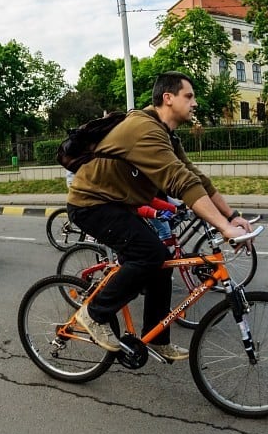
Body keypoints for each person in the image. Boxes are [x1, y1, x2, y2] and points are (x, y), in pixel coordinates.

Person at [66, 71, 251, 361]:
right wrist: (224, 227)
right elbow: (180, 182)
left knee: (161, 263)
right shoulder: (144, 129)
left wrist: (233, 216)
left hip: (117, 205)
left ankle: (157, 337)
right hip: (91, 204)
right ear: (168, 98)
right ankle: (94, 314)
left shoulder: (165, 134)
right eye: (188, 96)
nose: (195, 103)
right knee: (149, 255)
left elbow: (195, 177)